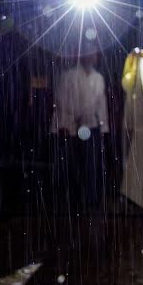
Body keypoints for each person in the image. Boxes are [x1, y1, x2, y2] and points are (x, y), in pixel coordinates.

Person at [51, 51, 110, 210]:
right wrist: (63, 125)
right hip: (70, 126)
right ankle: (72, 200)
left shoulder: (99, 78)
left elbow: (101, 104)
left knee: (91, 164)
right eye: (88, 53)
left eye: (94, 54)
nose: (92, 57)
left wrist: (104, 127)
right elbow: (61, 101)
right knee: (73, 165)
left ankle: (91, 200)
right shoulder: (68, 76)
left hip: (91, 125)